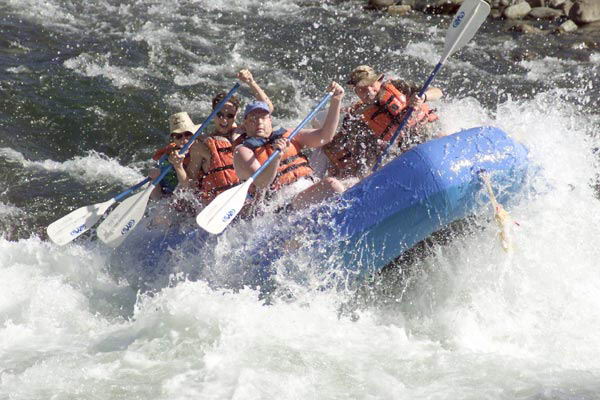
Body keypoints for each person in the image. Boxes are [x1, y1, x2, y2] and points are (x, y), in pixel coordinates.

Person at [233, 82, 346, 211]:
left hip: (307, 187)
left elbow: (325, 136)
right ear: (245, 125)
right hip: (280, 206)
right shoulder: (243, 151)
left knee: (350, 182)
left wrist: (336, 100)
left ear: (270, 120)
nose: (259, 122)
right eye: (253, 119)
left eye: (263, 118)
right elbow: (262, 183)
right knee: (333, 186)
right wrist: (276, 157)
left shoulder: (288, 135)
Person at [323, 65, 443, 178]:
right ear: (356, 91)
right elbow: (363, 154)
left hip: (424, 132)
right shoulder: (357, 117)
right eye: (362, 88)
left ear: (379, 81)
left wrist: (423, 97)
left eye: (371, 84)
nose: (369, 90)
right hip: (399, 152)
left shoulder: (398, 86)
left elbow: (438, 92)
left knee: (441, 136)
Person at [187, 69, 273, 204]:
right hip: (218, 201)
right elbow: (190, 182)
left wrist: (251, 82)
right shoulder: (202, 144)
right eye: (220, 115)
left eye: (229, 116)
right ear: (213, 113)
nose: (224, 121)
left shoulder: (246, 130)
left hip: (248, 197)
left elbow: (267, 108)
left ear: (237, 115)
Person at [149, 111, 198, 200]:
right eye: (179, 136)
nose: (184, 139)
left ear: (194, 134)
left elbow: (189, 189)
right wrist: (154, 178)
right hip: (168, 199)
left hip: (192, 197)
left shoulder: (201, 151)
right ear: (173, 140)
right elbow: (156, 196)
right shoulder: (167, 156)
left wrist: (178, 166)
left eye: (188, 134)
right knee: (154, 176)